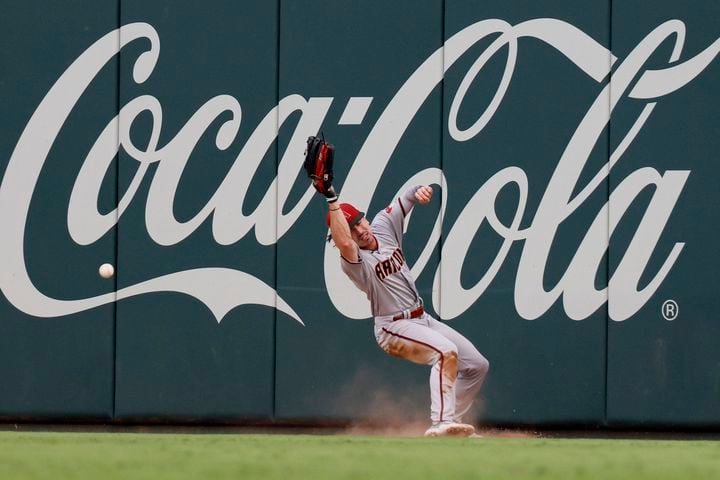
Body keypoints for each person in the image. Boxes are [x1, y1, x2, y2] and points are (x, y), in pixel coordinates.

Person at [323, 183, 490, 437]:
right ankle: (441, 423)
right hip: (392, 327)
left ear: (366, 218)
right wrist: (331, 198)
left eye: (360, 222)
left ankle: (453, 423)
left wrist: (418, 191)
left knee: (477, 365)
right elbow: (345, 241)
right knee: (446, 352)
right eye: (353, 229)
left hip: (421, 317)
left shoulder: (382, 225)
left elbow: (405, 197)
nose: (360, 230)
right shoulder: (353, 261)